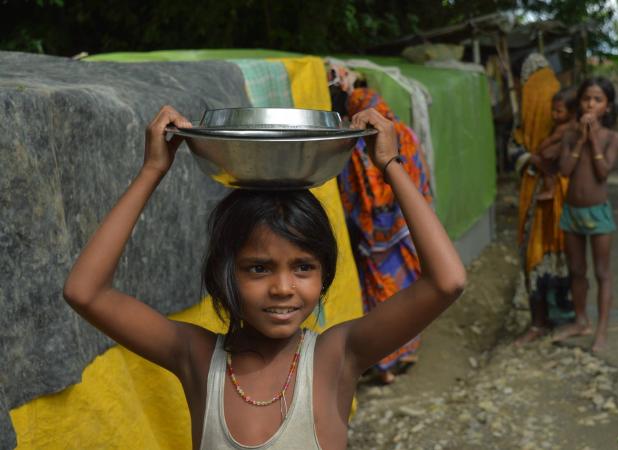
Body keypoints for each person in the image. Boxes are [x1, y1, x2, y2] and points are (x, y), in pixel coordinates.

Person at [63, 105, 466, 449]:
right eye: (259, 268)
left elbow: (446, 282)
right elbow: (86, 292)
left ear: (324, 273)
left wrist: (390, 165)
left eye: (303, 267)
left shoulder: (336, 358)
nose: (283, 288)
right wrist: (153, 169)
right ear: (225, 272)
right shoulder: (198, 359)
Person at [338, 87, 433, 384]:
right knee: (410, 290)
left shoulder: (355, 145)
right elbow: (422, 173)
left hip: (374, 240)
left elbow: (350, 195)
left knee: (381, 298)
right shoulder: (402, 133)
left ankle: (385, 365)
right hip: (408, 228)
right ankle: (408, 351)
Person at [553, 77, 618, 353]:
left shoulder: (612, 137)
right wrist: (582, 139)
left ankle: (602, 329)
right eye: (586, 99)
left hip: (598, 213)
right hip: (572, 212)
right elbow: (565, 171)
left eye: (597, 100)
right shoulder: (570, 135)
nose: (591, 104)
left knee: (602, 272)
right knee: (577, 270)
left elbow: (603, 171)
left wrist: (593, 139)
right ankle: (581, 320)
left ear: (607, 106)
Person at [510, 53, 575, 346]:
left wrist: (531, 158)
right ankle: (565, 316)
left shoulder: (530, 102)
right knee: (563, 252)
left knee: (534, 254)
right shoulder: (557, 93)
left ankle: (540, 321)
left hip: (539, 189)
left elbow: (516, 150)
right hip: (564, 191)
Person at [536, 88, 578, 201]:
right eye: (552, 110)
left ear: (571, 112)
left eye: (558, 111)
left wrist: (538, 150)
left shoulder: (562, 128)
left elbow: (550, 141)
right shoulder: (571, 124)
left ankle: (550, 190)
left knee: (540, 162)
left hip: (559, 161)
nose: (554, 114)